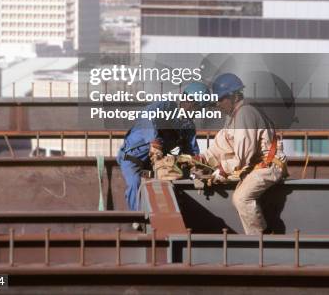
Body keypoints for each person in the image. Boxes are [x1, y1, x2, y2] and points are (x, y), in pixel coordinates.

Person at [198, 73, 287, 235]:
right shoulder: (233, 116)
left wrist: (223, 169)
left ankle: (260, 239)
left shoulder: (245, 113)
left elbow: (244, 154)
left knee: (241, 198)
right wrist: (203, 158)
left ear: (233, 96)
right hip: (256, 166)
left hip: (269, 166)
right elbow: (222, 143)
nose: (218, 104)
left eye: (221, 99)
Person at [117, 82, 206, 217]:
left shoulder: (188, 126)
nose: (198, 112)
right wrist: (154, 140)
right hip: (133, 159)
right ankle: (139, 221)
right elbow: (147, 116)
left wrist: (197, 165)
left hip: (158, 165)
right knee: (135, 184)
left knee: (174, 183)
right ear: (189, 101)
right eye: (198, 108)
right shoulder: (166, 106)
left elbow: (192, 151)